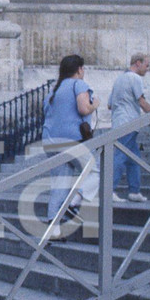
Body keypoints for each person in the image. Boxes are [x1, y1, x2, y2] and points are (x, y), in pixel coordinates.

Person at [41, 54, 100, 239]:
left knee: (60, 183)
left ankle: (53, 227)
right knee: (94, 171)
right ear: (80, 69)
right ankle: (74, 203)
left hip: (50, 141)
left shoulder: (54, 90)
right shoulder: (79, 85)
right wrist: (94, 104)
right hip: (71, 141)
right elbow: (83, 109)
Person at [108, 53, 150, 203]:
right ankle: (109, 189)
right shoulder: (135, 78)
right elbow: (142, 102)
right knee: (120, 156)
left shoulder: (119, 79)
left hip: (118, 121)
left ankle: (134, 190)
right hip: (129, 122)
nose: (147, 68)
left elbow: (109, 104)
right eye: (146, 65)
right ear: (138, 63)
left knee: (134, 157)